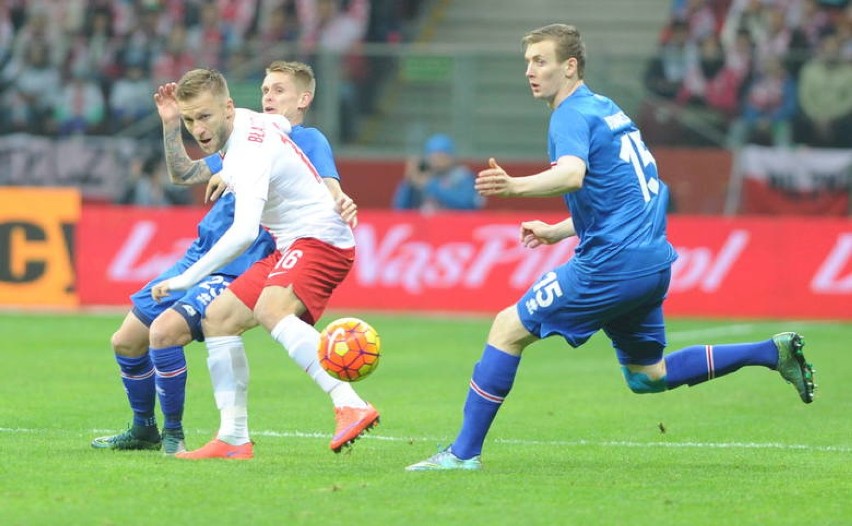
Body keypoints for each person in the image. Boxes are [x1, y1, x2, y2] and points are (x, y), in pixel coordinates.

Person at [406, 23, 816, 472]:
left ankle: (462, 454)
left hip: (611, 264)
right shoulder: (608, 110)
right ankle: (770, 352)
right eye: (527, 62)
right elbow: (622, 193)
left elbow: (572, 175)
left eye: (540, 61)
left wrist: (513, 186)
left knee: (507, 328)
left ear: (570, 66)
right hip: (652, 261)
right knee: (647, 377)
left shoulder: (569, 115)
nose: (530, 71)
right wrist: (559, 230)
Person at [92, 61, 359, 457]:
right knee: (126, 340)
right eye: (266, 89)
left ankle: (177, 438)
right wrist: (170, 124)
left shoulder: (306, 139)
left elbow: (326, 181)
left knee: (169, 332)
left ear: (304, 100)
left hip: (239, 259)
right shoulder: (244, 132)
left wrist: (340, 198)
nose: (269, 97)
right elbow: (183, 173)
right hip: (201, 252)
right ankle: (148, 429)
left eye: (279, 91)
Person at [392, 133, 484, 212]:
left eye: (442, 155)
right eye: (434, 155)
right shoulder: (421, 176)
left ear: (451, 156)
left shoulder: (462, 175)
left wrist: (430, 185)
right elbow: (400, 208)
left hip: (454, 226)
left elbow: (468, 205)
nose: (438, 160)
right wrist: (408, 182)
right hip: (426, 226)